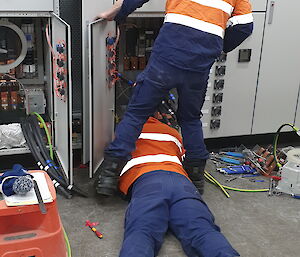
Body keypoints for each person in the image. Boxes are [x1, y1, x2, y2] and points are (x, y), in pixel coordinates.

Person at [94, 0, 254, 196]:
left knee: (137, 113)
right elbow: (244, 27)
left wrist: (115, 13)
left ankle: (109, 177)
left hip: (168, 55)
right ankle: (195, 179)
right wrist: (219, 46)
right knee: (190, 118)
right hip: (200, 62)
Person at [115, 112, 239, 257]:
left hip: (148, 182)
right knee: (202, 231)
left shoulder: (123, 132)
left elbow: (110, 161)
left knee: (142, 232)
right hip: (182, 184)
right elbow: (188, 158)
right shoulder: (172, 133)